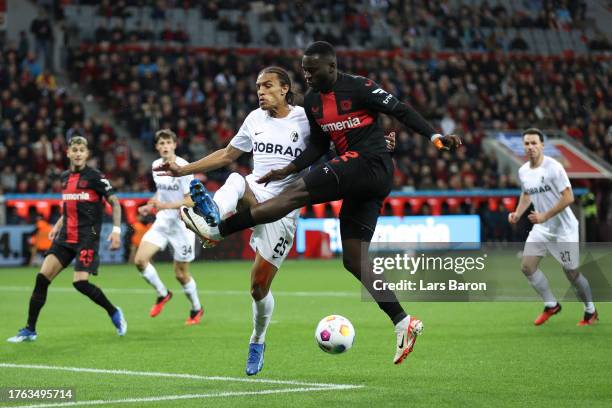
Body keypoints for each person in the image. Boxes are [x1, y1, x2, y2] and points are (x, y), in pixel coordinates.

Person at [174, 41, 461, 365]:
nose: (307, 75)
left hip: (369, 163)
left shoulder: (359, 87)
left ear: (331, 67)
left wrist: (434, 136)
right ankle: (403, 322)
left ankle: (218, 230)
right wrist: (289, 168)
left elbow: (400, 110)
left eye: (312, 70)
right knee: (354, 258)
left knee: (292, 196)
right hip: (360, 178)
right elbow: (319, 147)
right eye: (304, 70)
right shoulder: (312, 102)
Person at [157, 66, 311, 376]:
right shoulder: (255, 119)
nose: (260, 92)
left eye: (267, 86)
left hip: (284, 208)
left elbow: (338, 142)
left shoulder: (306, 120)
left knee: (257, 288)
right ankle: (213, 216)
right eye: (257, 86)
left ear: (285, 88)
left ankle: (258, 338)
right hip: (255, 191)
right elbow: (228, 154)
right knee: (237, 178)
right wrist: (183, 170)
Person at [7, 136, 127, 343]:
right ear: (68, 153)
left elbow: (115, 203)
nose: (78, 153)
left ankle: (114, 311)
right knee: (42, 278)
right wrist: (58, 225)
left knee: (80, 283)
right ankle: (29, 330)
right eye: (75, 149)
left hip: (87, 238)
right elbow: (69, 205)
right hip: (66, 237)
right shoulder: (64, 177)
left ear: (87, 154)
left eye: (82, 150)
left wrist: (116, 230)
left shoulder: (95, 177)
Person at [508, 128, 598, 326]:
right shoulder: (523, 171)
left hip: (564, 229)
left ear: (542, 145)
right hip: (542, 228)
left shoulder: (554, 168)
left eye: (534, 143)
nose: (530, 147)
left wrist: (544, 215)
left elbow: (569, 197)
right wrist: (517, 213)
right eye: (527, 144)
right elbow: (526, 194)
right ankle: (551, 305)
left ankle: (590, 310)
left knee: (571, 273)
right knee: (527, 266)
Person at [133, 129, 203, 325]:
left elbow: (190, 200)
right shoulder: (156, 165)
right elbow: (160, 193)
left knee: (181, 275)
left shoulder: (184, 167)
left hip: (183, 225)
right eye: (161, 143)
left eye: (168, 143)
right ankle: (163, 294)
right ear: (157, 147)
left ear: (174, 145)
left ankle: (196, 308)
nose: (164, 146)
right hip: (163, 222)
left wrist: (165, 206)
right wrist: (151, 204)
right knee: (140, 260)